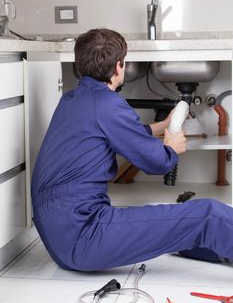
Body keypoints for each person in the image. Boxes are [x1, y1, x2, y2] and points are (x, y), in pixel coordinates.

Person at [31, 28, 233, 271]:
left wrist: (164, 126)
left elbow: (121, 134)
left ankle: (222, 253)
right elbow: (157, 163)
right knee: (207, 215)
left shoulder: (73, 100)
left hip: (61, 236)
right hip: (85, 237)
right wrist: (171, 148)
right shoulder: (108, 104)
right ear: (118, 67)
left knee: (175, 219)